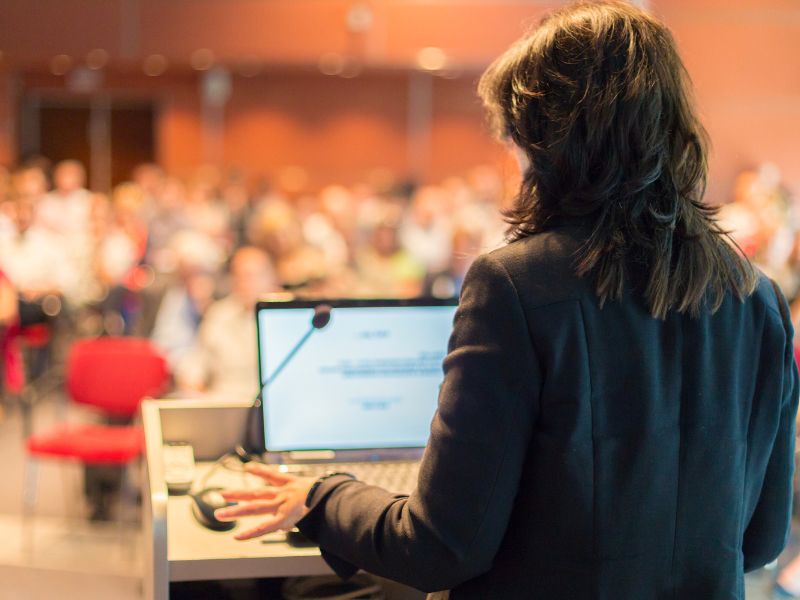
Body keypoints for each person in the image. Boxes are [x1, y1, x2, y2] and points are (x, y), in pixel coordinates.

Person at [219, 3, 797, 597]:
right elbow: (760, 540)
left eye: (517, 140)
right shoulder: (760, 300)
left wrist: (320, 497)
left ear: (550, 143)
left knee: (288, 588)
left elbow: (440, 546)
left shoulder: (515, 286)